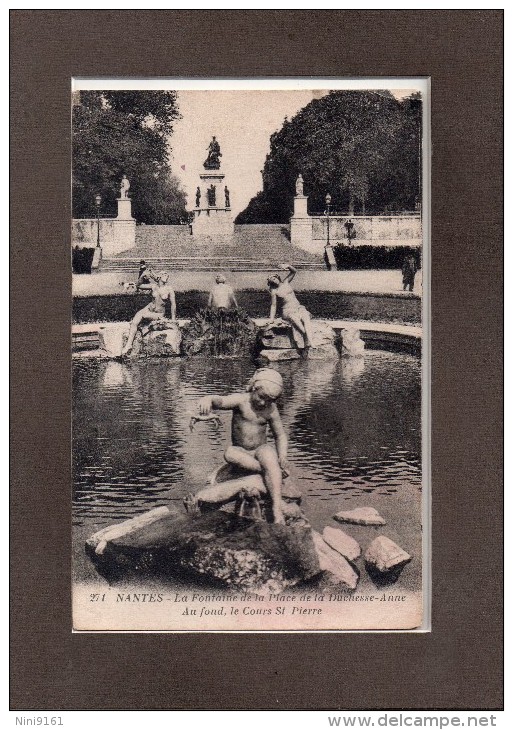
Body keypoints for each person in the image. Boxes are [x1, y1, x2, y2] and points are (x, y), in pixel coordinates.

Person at [194, 368, 289, 524]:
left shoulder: (271, 410)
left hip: (259, 451)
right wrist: (209, 399)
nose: (264, 403)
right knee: (230, 453)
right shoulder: (241, 400)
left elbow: (280, 435)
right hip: (241, 451)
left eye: (270, 400)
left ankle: (277, 508)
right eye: (261, 397)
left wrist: (283, 455)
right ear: (253, 387)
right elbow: (222, 401)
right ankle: (270, 471)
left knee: (268, 452)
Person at [121, 271, 176, 356]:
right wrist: (142, 275)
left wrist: (173, 318)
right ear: (159, 276)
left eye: (167, 274)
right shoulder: (154, 286)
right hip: (149, 308)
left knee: (143, 315)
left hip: (159, 313)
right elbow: (139, 285)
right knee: (135, 319)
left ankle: (136, 337)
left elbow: (173, 304)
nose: (167, 275)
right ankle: (129, 344)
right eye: (164, 274)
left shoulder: (169, 289)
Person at [267, 264, 313, 349]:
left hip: (298, 307)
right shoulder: (274, 291)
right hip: (287, 311)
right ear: (270, 283)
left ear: (278, 277)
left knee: (306, 317)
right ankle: (306, 336)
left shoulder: (286, 282)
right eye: (271, 280)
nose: (274, 280)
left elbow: (294, 271)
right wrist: (271, 319)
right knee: (295, 319)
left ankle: (310, 341)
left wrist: (288, 266)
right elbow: (273, 305)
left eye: (274, 278)